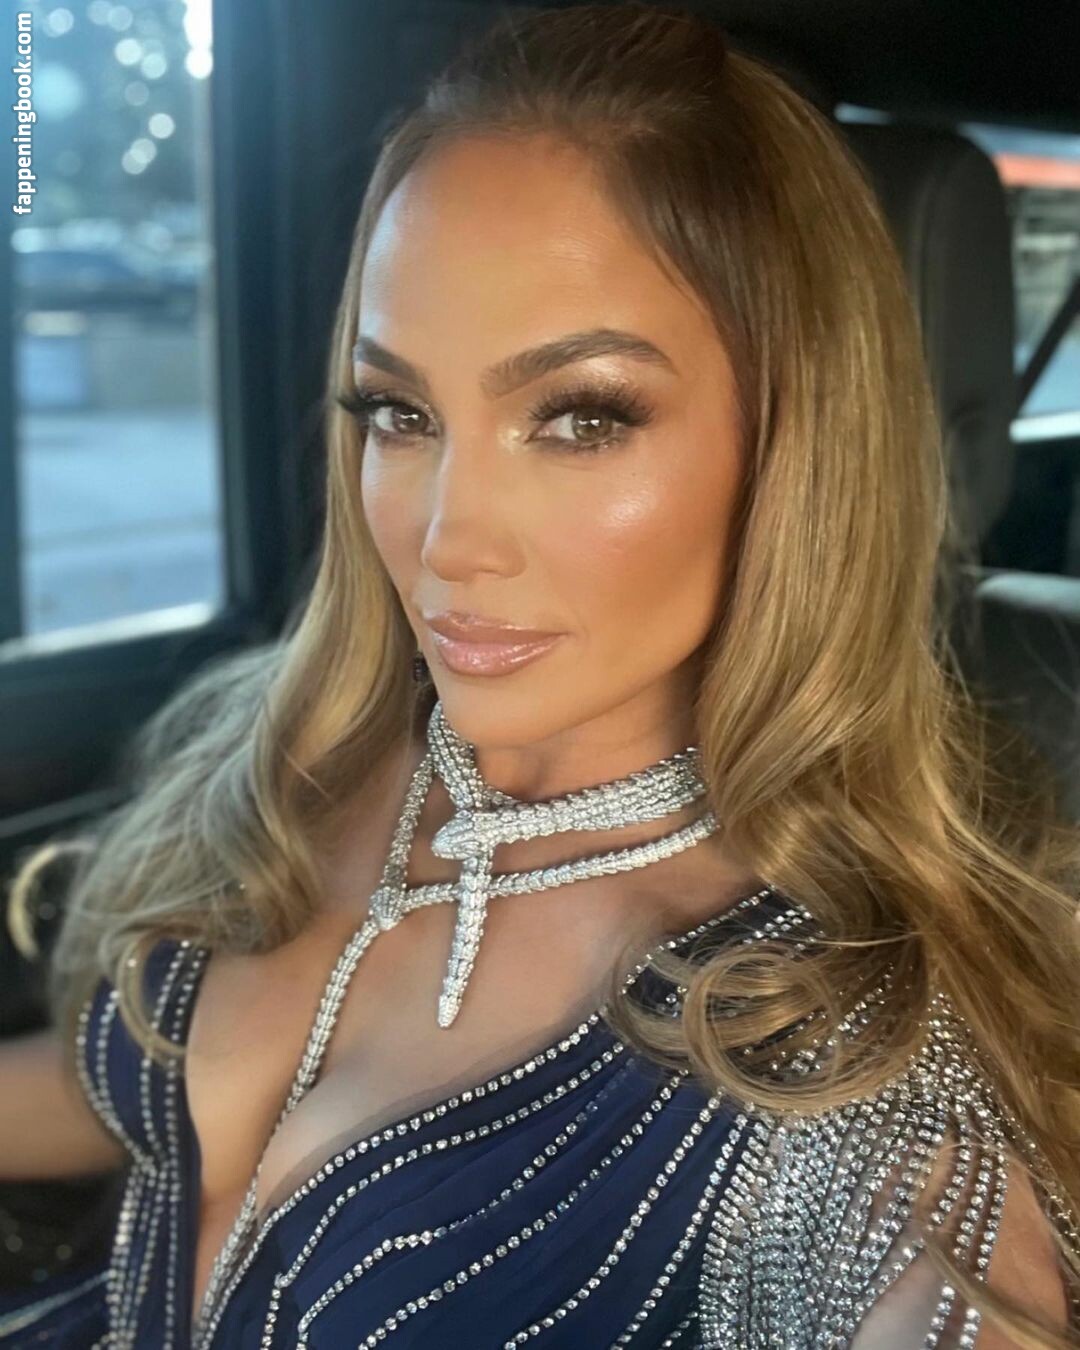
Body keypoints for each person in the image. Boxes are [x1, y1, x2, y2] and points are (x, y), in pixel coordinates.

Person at [2, 3, 1080, 1346]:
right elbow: (141, 1091)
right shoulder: (311, 748)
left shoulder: (850, 1066)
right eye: (400, 412)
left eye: (581, 418)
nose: (447, 538)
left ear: (794, 448)